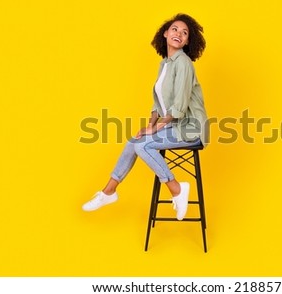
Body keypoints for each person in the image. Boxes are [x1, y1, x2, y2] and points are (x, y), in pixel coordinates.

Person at [82, 13, 208, 221]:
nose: (179, 34)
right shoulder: (166, 64)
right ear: (165, 33)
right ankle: (108, 192)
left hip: (190, 129)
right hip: (174, 126)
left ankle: (177, 188)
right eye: (175, 29)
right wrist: (149, 126)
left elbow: (179, 106)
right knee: (135, 141)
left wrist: (155, 129)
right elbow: (158, 103)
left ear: (187, 41)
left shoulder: (183, 63)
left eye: (185, 33)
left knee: (143, 146)